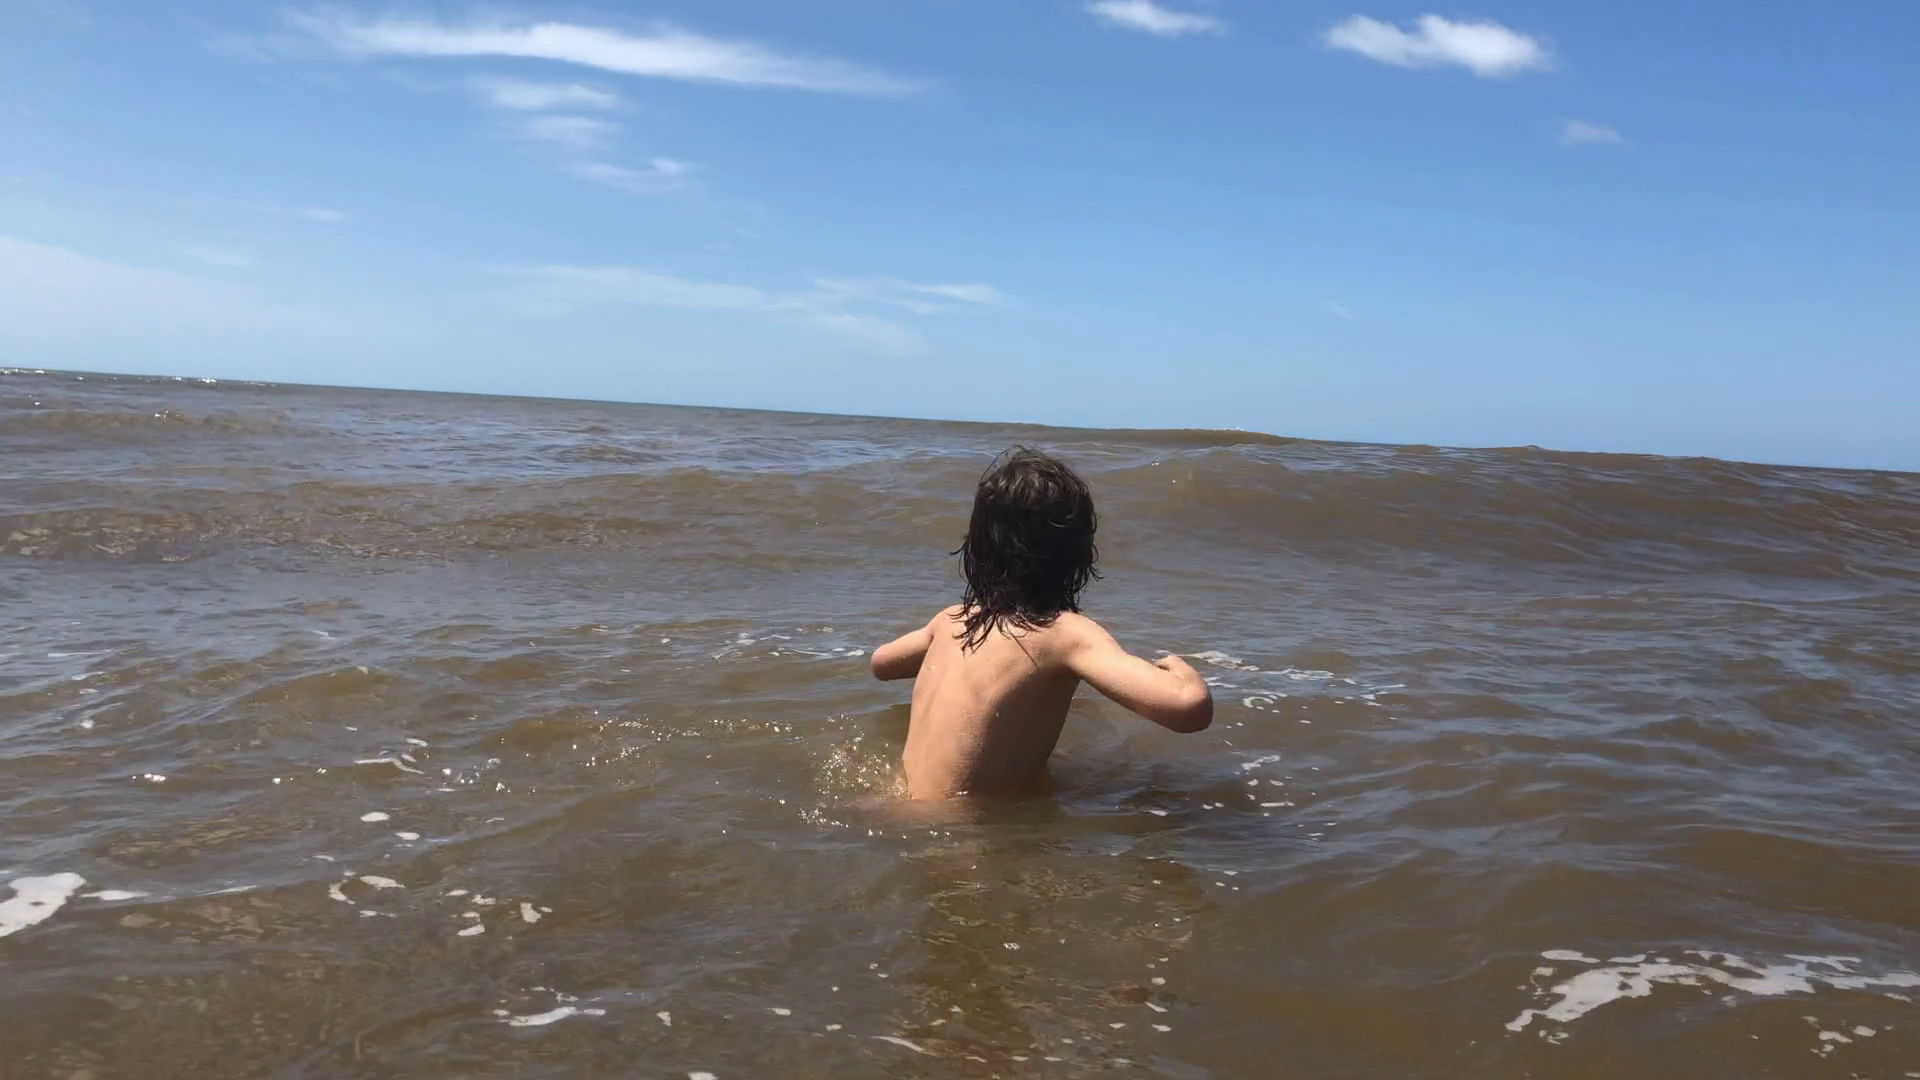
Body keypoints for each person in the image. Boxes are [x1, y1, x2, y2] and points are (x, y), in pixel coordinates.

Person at [870, 447, 1213, 799]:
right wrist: (1180, 670)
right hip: (965, 828)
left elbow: (881, 664)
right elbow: (1189, 709)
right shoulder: (1064, 634)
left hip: (897, 806)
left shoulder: (949, 621)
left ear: (977, 547)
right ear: (1078, 554)